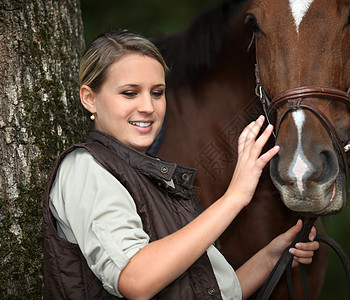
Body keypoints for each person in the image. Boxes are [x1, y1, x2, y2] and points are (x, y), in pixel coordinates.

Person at [42, 29, 319, 300]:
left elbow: (213, 292)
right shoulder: (86, 168)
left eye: (157, 93)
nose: (148, 107)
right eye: (130, 93)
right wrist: (234, 197)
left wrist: (271, 257)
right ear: (90, 98)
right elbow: (136, 281)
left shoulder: (152, 175)